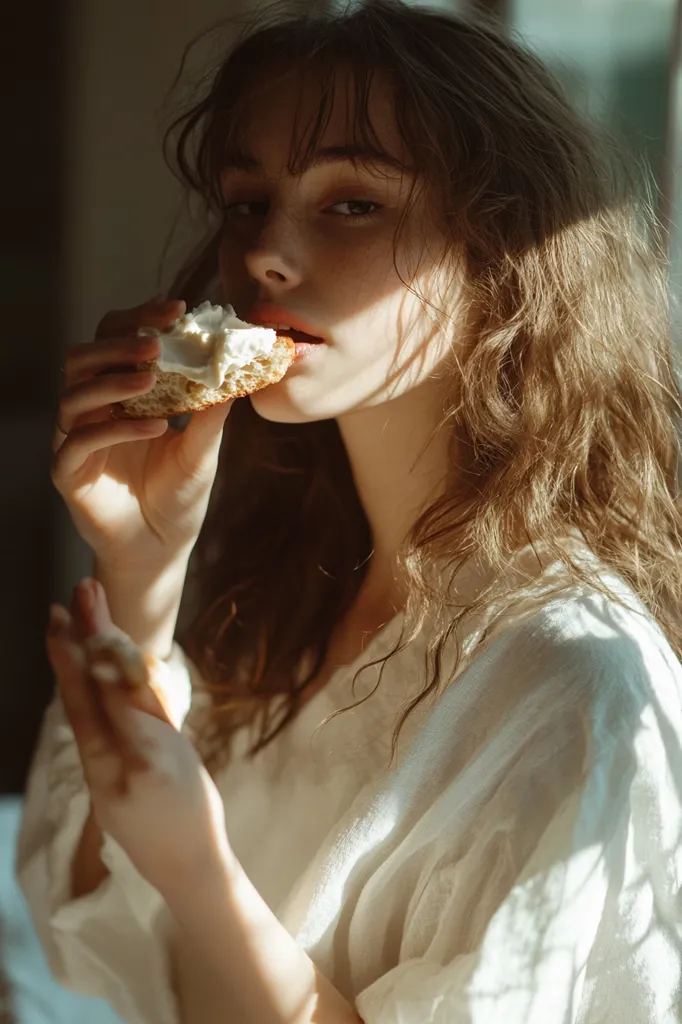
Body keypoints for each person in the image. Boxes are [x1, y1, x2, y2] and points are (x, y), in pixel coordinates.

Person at [15, 0, 682, 1021]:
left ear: (498, 249)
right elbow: (94, 957)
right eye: (246, 201)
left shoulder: (576, 681)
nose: (267, 256)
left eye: (354, 203)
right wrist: (143, 572)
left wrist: (200, 869)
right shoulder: (282, 587)